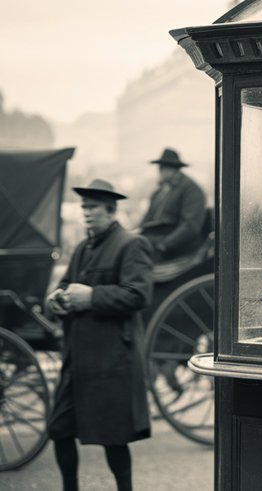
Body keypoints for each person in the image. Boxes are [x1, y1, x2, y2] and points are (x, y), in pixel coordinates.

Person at [45, 179, 154, 491]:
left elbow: (138, 295)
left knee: (114, 438)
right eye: (84, 207)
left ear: (110, 210)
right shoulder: (83, 247)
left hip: (111, 360)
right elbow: (65, 284)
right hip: (78, 361)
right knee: (59, 429)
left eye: (93, 207)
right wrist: (57, 298)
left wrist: (92, 297)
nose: (87, 213)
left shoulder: (131, 244)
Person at [139, 148, 206, 262]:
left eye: (166, 167)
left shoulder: (191, 190)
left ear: (176, 169)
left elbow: (190, 226)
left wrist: (164, 245)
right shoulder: (160, 191)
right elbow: (148, 218)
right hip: (153, 240)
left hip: (177, 248)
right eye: (161, 167)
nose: (161, 171)